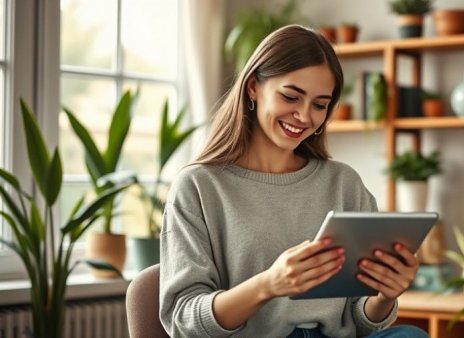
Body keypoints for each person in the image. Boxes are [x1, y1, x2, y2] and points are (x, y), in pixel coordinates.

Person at [159, 24, 429, 338]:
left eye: (319, 105)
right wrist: (267, 285)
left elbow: (360, 320)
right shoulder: (199, 187)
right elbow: (183, 320)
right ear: (253, 88)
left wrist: (385, 296)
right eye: (291, 96)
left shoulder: (344, 183)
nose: (303, 116)